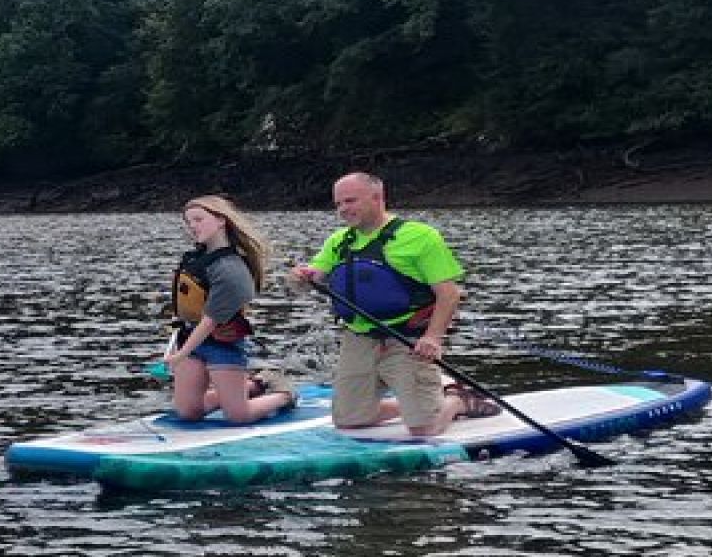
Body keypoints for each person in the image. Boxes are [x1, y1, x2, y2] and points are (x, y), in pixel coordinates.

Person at [289, 172, 496, 437]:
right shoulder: (339, 241)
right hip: (360, 338)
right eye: (338, 203)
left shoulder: (420, 237)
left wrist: (433, 338)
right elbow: (312, 277)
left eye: (350, 201)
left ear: (377, 198)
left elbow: (449, 294)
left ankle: (456, 401)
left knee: (425, 429)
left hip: (407, 338)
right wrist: (300, 278)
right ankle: (415, 405)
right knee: (349, 421)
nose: (343, 209)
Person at [162, 195, 294, 423]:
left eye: (198, 219)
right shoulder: (196, 259)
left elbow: (210, 321)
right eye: (188, 222)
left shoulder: (231, 269)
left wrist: (180, 355)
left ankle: (284, 394)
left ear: (221, 220)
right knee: (187, 412)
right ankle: (255, 385)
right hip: (190, 339)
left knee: (239, 415)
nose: (192, 226)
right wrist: (178, 347)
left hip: (222, 344)